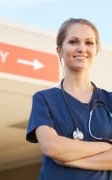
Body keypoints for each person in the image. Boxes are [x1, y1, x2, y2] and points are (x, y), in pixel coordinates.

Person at [26, 18, 112, 180]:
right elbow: (52, 147)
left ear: (96, 50)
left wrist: (70, 160)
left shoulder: (110, 101)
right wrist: (105, 147)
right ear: (59, 50)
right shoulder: (44, 99)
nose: (82, 48)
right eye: (73, 42)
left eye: (89, 43)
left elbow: (60, 152)